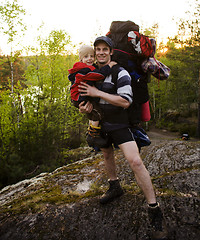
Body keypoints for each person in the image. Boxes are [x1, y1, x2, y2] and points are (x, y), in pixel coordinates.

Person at [78, 36, 168, 239]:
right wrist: (85, 107)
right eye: (97, 49)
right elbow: (84, 100)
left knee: (135, 161)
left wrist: (96, 92)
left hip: (119, 124)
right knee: (107, 154)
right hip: (101, 124)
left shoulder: (121, 72)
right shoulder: (91, 73)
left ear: (111, 52)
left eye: (104, 49)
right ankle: (114, 186)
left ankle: (154, 209)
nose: (100, 52)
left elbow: (125, 101)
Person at [68, 44, 116, 147]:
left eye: (91, 56)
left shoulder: (88, 67)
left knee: (92, 113)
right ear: (81, 59)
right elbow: (99, 75)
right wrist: (110, 66)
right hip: (79, 97)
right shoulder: (84, 69)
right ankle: (93, 136)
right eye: (86, 57)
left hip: (82, 96)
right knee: (98, 113)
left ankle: (92, 132)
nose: (89, 59)